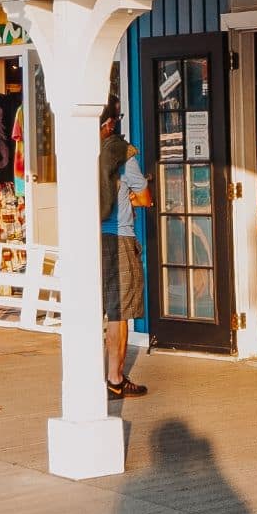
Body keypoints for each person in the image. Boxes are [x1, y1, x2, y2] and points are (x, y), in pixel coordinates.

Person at [98, 99, 149, 398]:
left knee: (102, 309)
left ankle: (102, 374)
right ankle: (115, 378)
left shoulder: (84, 151)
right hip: (119, 236)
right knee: (121, 310)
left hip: (90, 238)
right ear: (112, 122)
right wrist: (130, 198)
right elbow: (145, 198)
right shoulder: (123, 154)